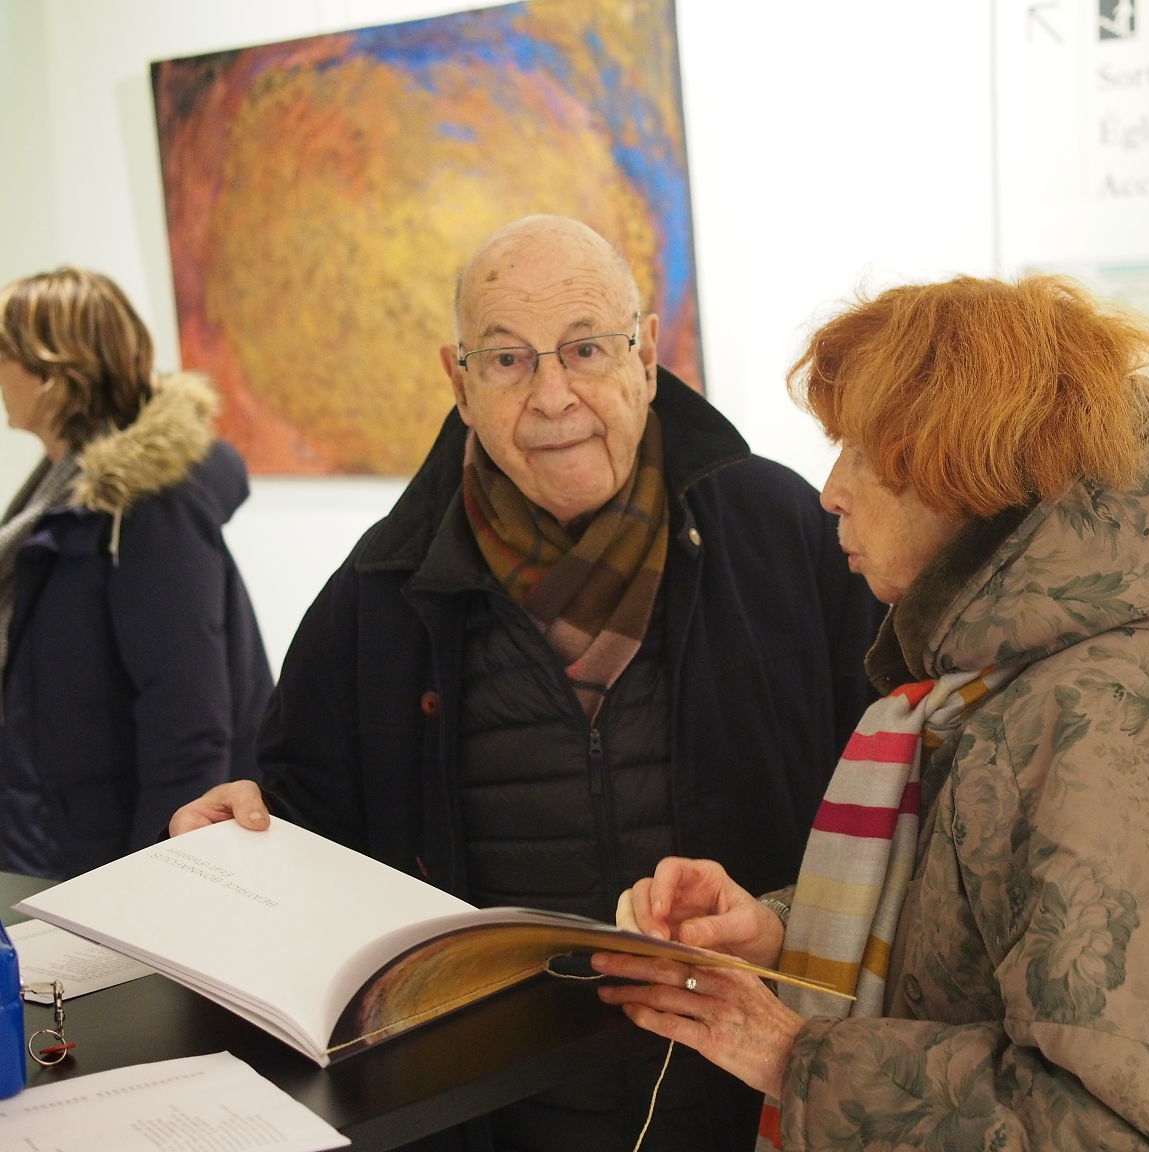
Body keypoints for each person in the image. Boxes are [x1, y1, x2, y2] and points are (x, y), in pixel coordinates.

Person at [590, 273, 1149, 1151]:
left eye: (861, 453)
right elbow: (1001, 930)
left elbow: (1117, 1128)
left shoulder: (1144, 717)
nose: (830, 491)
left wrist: (794, 1057)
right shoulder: (1037, 676)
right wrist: (780, 932)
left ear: (962, 469)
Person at [170, 216, 883, 1151]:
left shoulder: (785, 535)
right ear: (458, 382)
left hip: (750, 1104)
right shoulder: (380, 592)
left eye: (586, 349)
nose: (553, 397)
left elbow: (892, 804)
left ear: (646, 356)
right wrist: (241, 837)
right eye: (507, 360)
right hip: (493, 1114)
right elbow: (308, 831)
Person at [0, 266, 272, 881]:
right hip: (56, 835)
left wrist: (159, 874)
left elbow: (188, 714)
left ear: (51, 371)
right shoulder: (60, 494)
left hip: (111, 854)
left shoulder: (147, 504)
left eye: (4, 353)